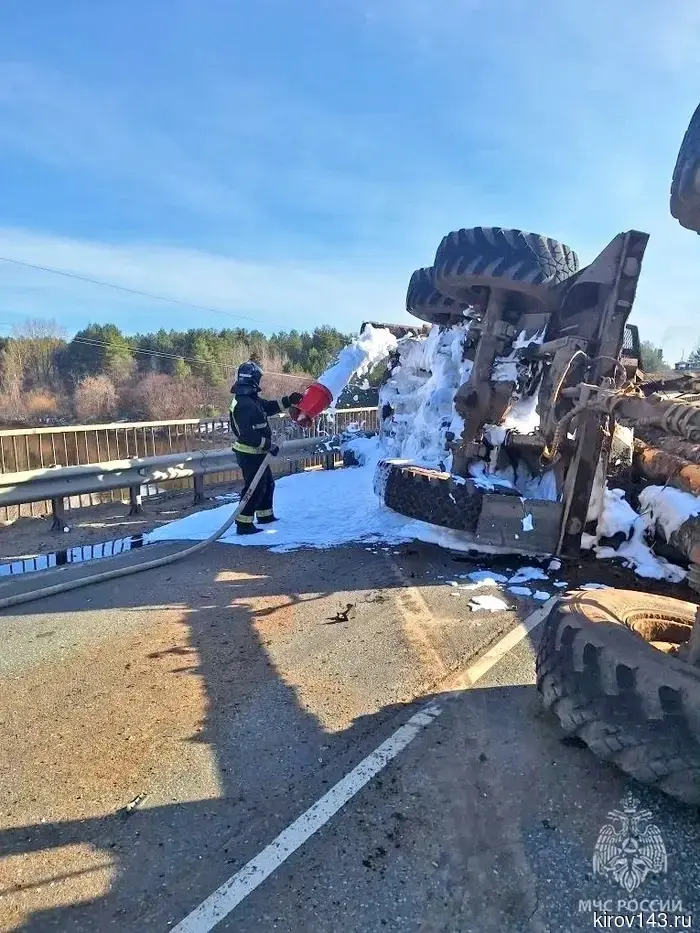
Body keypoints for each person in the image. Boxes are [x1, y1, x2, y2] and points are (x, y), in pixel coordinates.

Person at [229, 360, 303, 534]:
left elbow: (268, 407)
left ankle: (265, 516)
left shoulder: (250, 399)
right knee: (254, 488)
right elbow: (247, 435)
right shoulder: (243, 404)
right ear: (253, 379)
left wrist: (289, 401)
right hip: (249, 454)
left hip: (257, 452)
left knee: (267, 484)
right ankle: (244, 524)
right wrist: (268, 445)